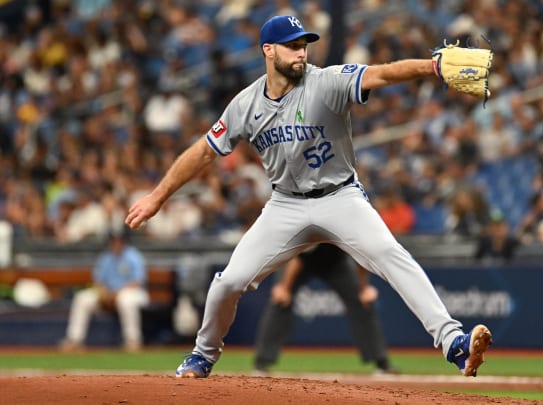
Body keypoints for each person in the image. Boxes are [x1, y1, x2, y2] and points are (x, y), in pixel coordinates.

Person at [125, 15, 492, 378]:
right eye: (292, 46)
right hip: (285, 205)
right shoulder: (244, 104)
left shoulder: (327, 81)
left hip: (340, 197)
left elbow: (383, 73)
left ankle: (453, 342)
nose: (301, 53)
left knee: (390, 254)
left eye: (303, 45)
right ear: (269, 51)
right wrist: (158, 196)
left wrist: (432, 66)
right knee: (229, 282)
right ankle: (203, 355)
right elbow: (204, 151)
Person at [253, 243, 395, 374]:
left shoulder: (348, 226)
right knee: (280, 300)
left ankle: (381, 362)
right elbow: (298, 258)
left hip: (336, 262)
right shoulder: (313, 224)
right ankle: (261, 362)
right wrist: (285, 288)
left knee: (362, 301)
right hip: (300, 259)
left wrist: (363, 289)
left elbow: (362, 259)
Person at [58, 230, 149, 352]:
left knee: (125, 300)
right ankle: (74, 340)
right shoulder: (106, 257)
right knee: (83, 298)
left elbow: (138, 282)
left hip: (133, 294)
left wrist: (116, 293)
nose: (116, 243)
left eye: (119, 240)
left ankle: (132, 340)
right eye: (113, 241)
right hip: (109, 294)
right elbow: (98, 281)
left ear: (124, 241)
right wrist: (104, 292)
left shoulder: (133, 256)